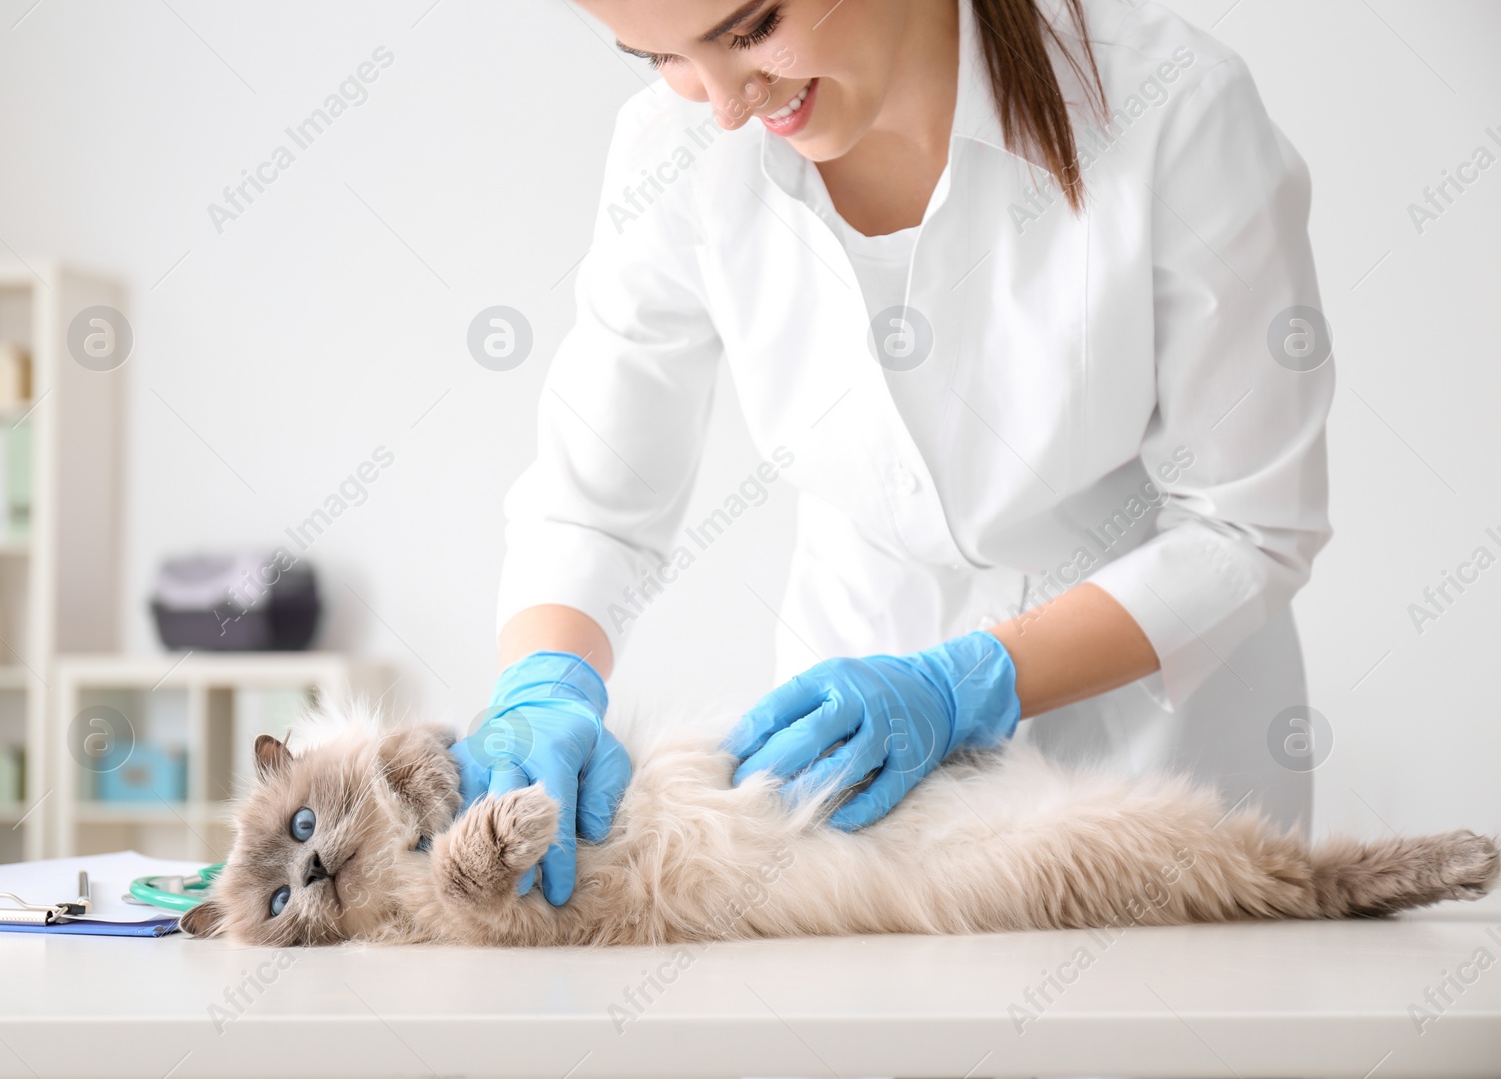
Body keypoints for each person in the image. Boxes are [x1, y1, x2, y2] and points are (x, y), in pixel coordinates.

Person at [452, 0, 1334, 906]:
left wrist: (965, 686)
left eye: (752, 28)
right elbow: (596, 496)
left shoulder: (1172, 109)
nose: (722, 104)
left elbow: (1248, 525)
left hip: (1161, 776)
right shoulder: (673, 153)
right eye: (659, 58)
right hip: (849, 803)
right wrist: (543, 687)